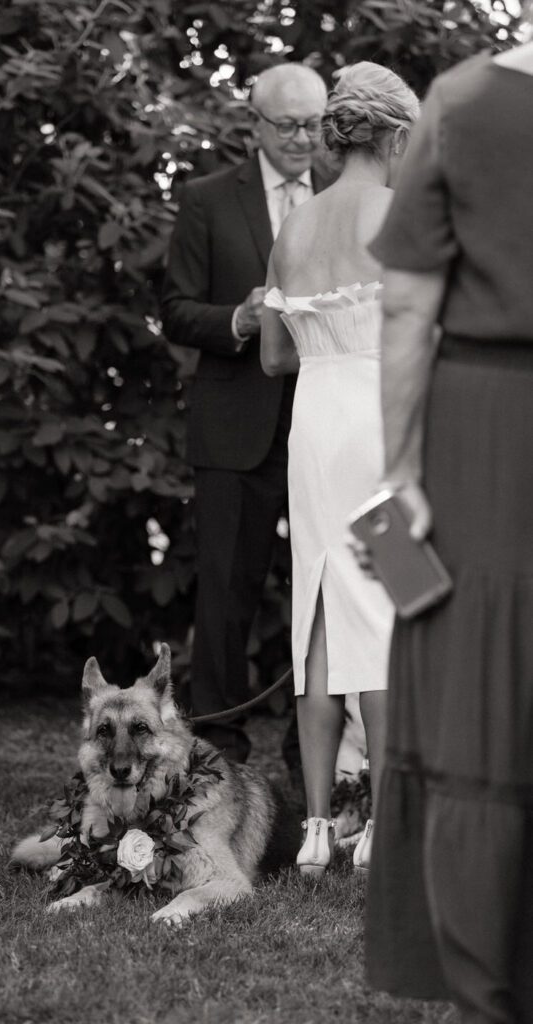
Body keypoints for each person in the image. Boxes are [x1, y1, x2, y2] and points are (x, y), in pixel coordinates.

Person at [361, 41, 533, 1024]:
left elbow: (406, 306)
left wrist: (398, 475)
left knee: (478, 696)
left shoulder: (462, 103)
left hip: (486, 437)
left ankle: (486, 986)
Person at [260, 62, 420, 873]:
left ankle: (319, 829)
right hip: (381, 428)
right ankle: (386, 825)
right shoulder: (401, 217)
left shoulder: (294, 227)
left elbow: (272, 355)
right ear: (395, 136)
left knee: (319, 616)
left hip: (314, 430)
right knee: (391, 612)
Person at [161, 63, 331, 766]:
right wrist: (239, 317)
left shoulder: (346, 195)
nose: (303, 138)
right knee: (226, 593)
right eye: (287, 125)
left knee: (323, 589)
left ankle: (312, 747)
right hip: (235, 425)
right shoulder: (206, 198)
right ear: (254, 125)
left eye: (315, 124)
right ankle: (218, 750)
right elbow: (175, 309)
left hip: (326, 420)